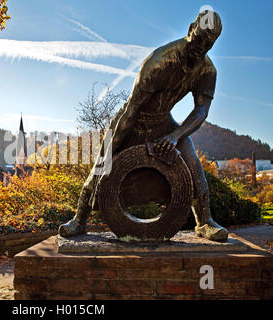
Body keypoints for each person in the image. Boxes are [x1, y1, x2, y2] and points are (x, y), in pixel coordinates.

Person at [59, 10, 228, 241]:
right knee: (101, 164)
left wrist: (175, 136)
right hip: (133, 118)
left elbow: (201, 111)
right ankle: (80, 219)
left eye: (208, 44)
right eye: (198, 38)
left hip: (163, 122)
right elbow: (131, 111)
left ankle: (205, 222)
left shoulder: (207, 71)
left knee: (193, 164)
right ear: (190, 30)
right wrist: (110, 153)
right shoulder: (160, 61)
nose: (201, 46)